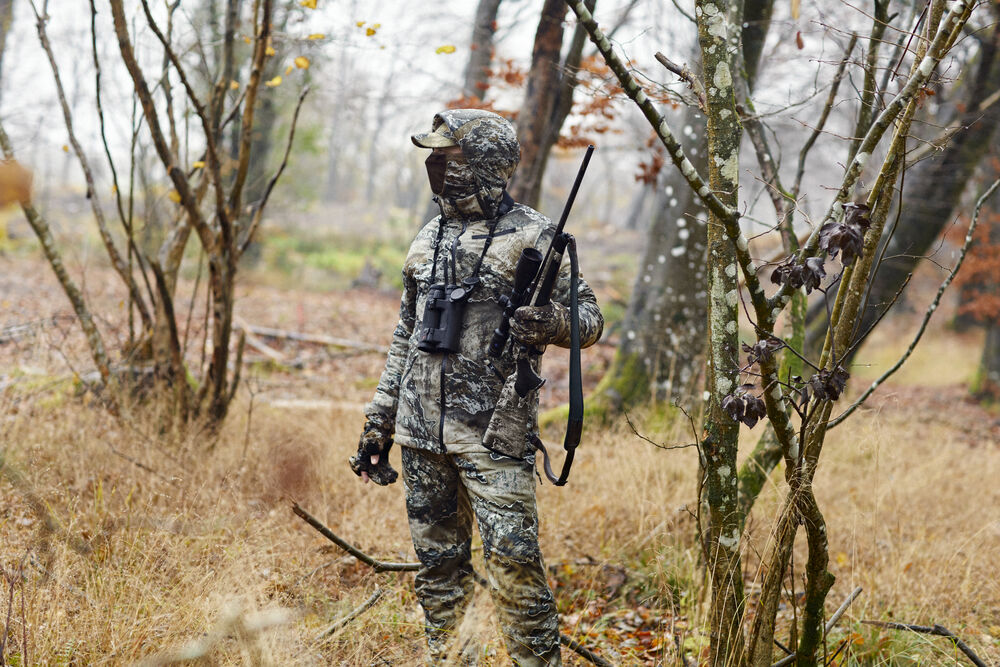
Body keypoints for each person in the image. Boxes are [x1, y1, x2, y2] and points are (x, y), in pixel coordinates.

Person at [351, 109, 603, 666]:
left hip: (494, 436)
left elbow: (590, 318)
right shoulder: (427, 235)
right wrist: (379, 421)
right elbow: (404, 337)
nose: (435, 165)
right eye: (433, 156)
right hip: (420, 436)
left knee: (515, 568)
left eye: (450, 156)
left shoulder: (536, 235)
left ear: (486, 164)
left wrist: (551, 323)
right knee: (439, 573)